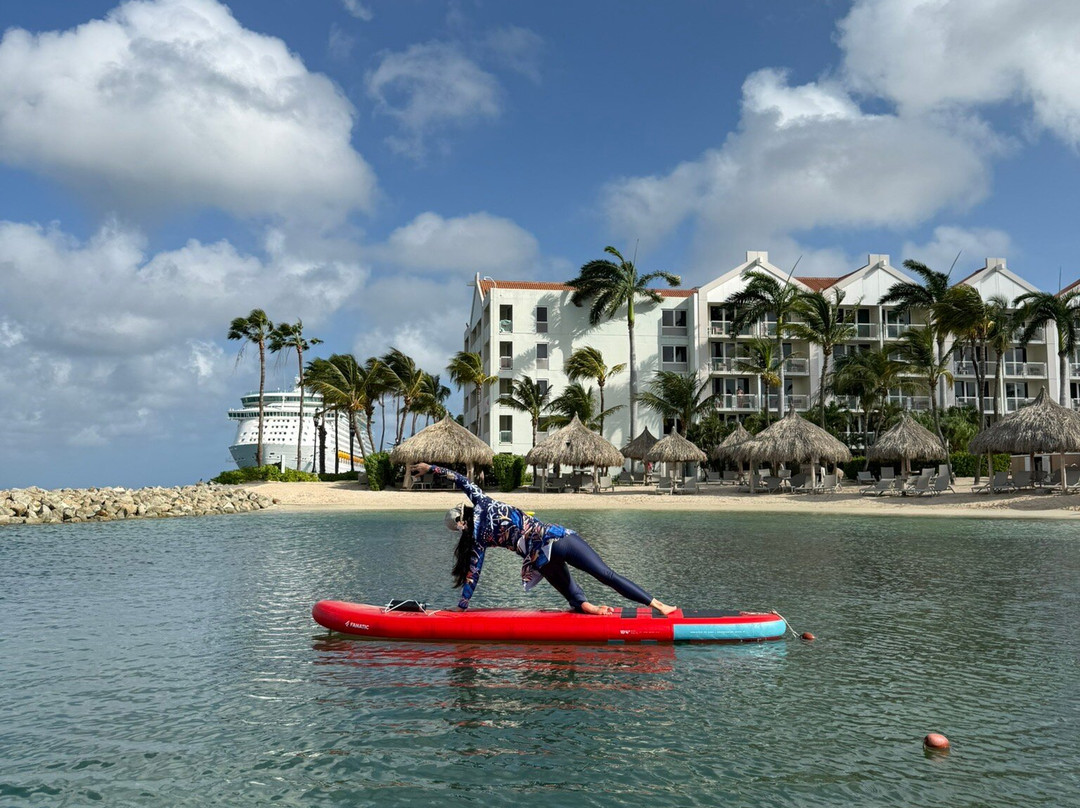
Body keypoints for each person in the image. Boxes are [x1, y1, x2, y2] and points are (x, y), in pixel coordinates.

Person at [409, 462, 678, 616]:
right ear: (462, 512)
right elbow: (460, 479)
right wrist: (430, 468)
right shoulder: (481, 500)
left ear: (459, 526)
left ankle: (588, 607)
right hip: (554, 538)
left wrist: (461, 607)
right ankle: (657, 605)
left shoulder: (478, 540)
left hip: (539, 557)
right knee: (606, 574)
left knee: (576, 596)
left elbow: (472, 576)